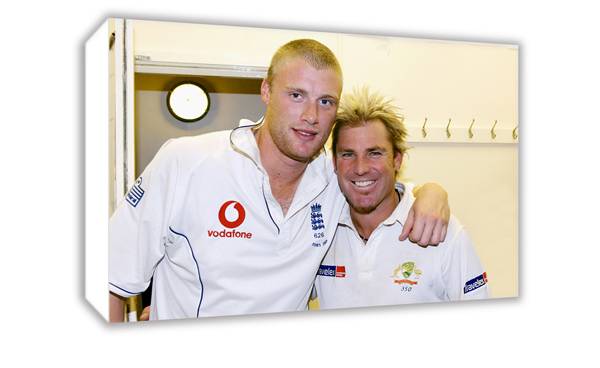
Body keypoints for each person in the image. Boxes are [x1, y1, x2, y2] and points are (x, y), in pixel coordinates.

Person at [109, 39, 450, 321]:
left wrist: (433, 192)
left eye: (325, 101)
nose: (311, 116)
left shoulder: (333, 180)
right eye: (296, 95)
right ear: (267, 91)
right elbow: (110, 280)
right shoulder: (186, 161)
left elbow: (384, 184)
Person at [313, 87, 489, 310]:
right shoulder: (320, 230)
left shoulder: (444, 232)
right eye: (348, 154)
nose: (360, 168)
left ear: (397, 160)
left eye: (374, 153)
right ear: (335, 163)